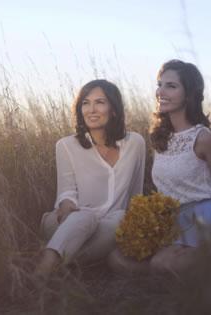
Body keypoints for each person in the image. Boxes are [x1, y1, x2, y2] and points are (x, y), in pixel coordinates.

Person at [109, 59, 211, 276]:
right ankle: (169, 268)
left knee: (162, 265)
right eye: (160, 84)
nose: (161, 91)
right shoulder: (161, 138)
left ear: (189, 94)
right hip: (170, 218)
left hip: (204, 215)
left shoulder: (202, 137)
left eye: (171, 86)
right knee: (116, 258)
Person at [34, 79, 146, 281]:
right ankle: (45, 267)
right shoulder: (66, 145)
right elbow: (66, 192)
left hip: (109, 227)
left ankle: (60, 267)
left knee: (122, 218)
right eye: (85, 103)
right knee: (86, 216)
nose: (91, 109)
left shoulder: (135, 143)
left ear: (113, 109)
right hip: (69, 223)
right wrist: (67, 207)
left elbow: (135, 193)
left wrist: (137, 231)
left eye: (100, 102)